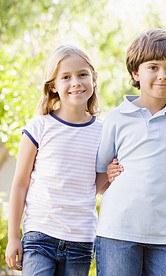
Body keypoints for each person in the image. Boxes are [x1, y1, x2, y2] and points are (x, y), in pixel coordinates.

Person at [95, 28, 166, 275]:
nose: (162, 75)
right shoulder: (116, 118)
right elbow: (100, 181)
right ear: (135, 72)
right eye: (153, 67)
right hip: (117, 231)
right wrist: (110, 174)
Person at [5, 45, 102, 275]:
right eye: (66, 77)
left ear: (94, 78)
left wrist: (111, 172)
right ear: (53, 86)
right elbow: (19, 185)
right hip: (40, 236)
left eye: (82, 74)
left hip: (81, 239)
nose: (76, 82)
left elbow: (94, 186)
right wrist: (13, 237)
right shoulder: (39, 127)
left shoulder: (103, 131)